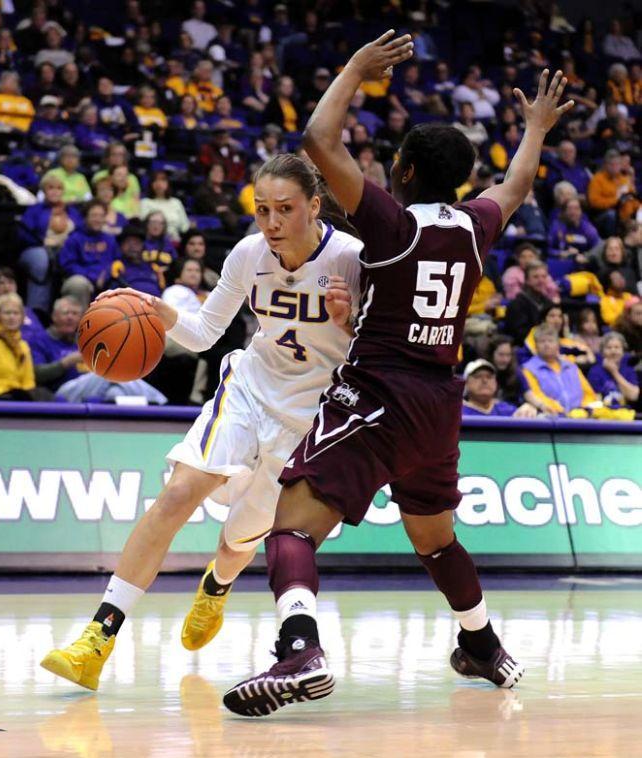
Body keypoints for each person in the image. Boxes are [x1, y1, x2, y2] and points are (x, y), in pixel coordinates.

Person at [220, 34, 575, 717]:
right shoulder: (474, 225)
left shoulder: (393, 223)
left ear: (405, 171)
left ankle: (300, 648)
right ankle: (483, 643)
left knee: (290, 529)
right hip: (439, 406)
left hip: (377, 394)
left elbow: (320, 140)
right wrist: (534, 129)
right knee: (435, 538)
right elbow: (520, 182)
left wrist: (355, 68)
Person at [40, 154, 363, 692]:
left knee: (240, 542)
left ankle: (217, 586)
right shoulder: (249, 253)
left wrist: (348, 322)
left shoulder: (352, 259)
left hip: (309, 417)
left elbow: (379, 354)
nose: (272, 222)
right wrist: (157, 312)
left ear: (314, 205)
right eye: (262, 210)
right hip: (250, 390)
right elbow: (204, 334)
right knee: (177, 493)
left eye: (285, 209)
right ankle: (96, 639)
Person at [18, 173, 82, 314]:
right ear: (44, 190)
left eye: (59, 188)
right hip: (38, 249)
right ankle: (37, 313)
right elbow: (23, 235)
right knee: (42, 260)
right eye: (50, 187)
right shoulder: (34, 210)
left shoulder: (72, 212)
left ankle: (69, 314)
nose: (55, 191)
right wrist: (43, 242)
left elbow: (81, 233)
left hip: (65, 250)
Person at [522, 325, 598, 415]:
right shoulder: (528, 369)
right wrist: (561, 412)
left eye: (550, 341)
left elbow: (589, 394)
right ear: (536, 346)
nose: (547, 345)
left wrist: (583, 410)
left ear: (558, 345)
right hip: (549, 418)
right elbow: (536, 395)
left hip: (580, 418)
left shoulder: (571, 367)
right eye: (542, 341)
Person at [58, 200, 120, 309]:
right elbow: (68, 265)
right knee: (78, 284)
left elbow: (116, 261)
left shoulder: (110, 239)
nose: (98, 219)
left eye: (101, 216)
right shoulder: (74, 238)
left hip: (106, 280)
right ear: (85, 217)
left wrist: (105, 275)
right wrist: (94, 277)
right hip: (82, 280)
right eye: (94, 215)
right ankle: (81, 324)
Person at [0, 293, 35, 399]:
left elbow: (28, 382)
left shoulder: (23, 346)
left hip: (17, 396)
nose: (12, 317)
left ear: (22, 317)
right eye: (7, 313)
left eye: (16, 313)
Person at [505, 261, 556, 344]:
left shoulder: (549, 303)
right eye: (536, 277)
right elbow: (521, 336)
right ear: (527, 280)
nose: (541, 280)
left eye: (544, 277)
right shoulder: (516, 305)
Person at [587, 332, 639, 409]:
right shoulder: (595, 371)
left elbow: (633, 396)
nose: (613, 351)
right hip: (602, 414)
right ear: (602, 352)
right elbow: (595, 399)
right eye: (609, 348)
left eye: (617, 347)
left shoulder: (629, 370)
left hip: (627, 414)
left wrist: (614, 372)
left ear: (623, 351)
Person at [140, 172, 190, 243]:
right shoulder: (145, 202)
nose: (159, 184)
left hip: (174, 241)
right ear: (151, 184)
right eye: (155, 181)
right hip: (151, 242)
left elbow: (185, 226)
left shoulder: (176, 202)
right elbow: (143, 225)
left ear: (167, 184)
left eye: (162, 180)